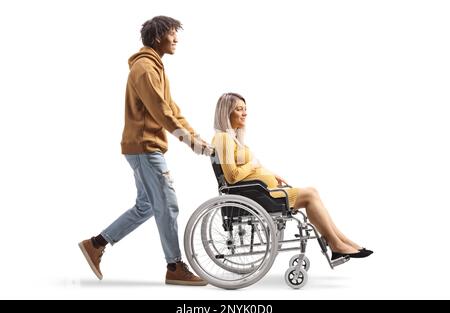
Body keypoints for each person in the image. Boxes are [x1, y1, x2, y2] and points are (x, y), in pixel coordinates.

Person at [79, 16, 212, 286]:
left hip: (143, 147)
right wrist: (190, 142)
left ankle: (95, 244)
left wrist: (197, 139)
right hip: (145, 147)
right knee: (167, 203)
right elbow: (162, 112)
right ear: (157, 36)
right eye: (172, 34)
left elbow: (172, 110)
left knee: (147, 206)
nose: (176, 39)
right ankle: (174, 266)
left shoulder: (156, 67)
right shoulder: (145, 68)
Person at [212, 93, 373, 260]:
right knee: (310, 195)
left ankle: (343, 241)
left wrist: (270, 173)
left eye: (245, 109)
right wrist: (253, 164)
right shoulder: (223, 138)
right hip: (255, 195)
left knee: (312, 191)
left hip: (260, 191)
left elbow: (248, 167)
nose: (245, 113)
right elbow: (232, 177)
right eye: (239, 109)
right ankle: (337, 244)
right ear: (226, 112)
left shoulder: (233, 138)